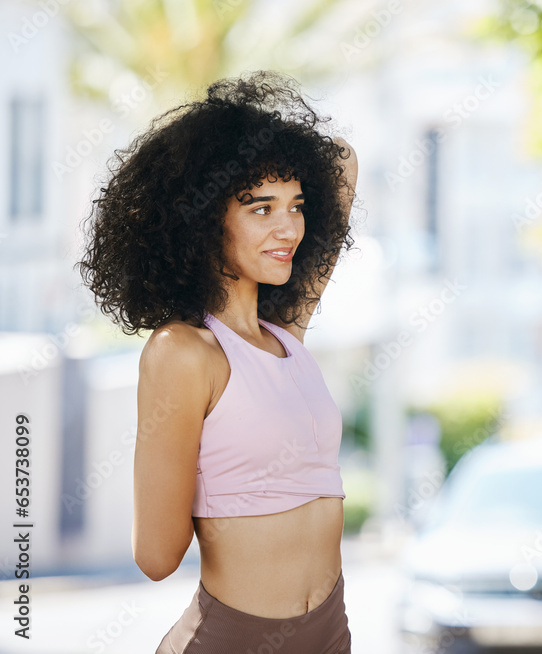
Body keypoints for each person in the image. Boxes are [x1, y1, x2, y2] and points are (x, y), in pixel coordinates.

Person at [77, 70, 357, 653]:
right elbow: (156, 557)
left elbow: (342, 162)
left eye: (297, 206)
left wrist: (261, 138)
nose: (289, 228)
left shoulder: (287, 336)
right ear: (203, 221)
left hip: (331, 635)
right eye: (260, 208)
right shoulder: (182, 353)